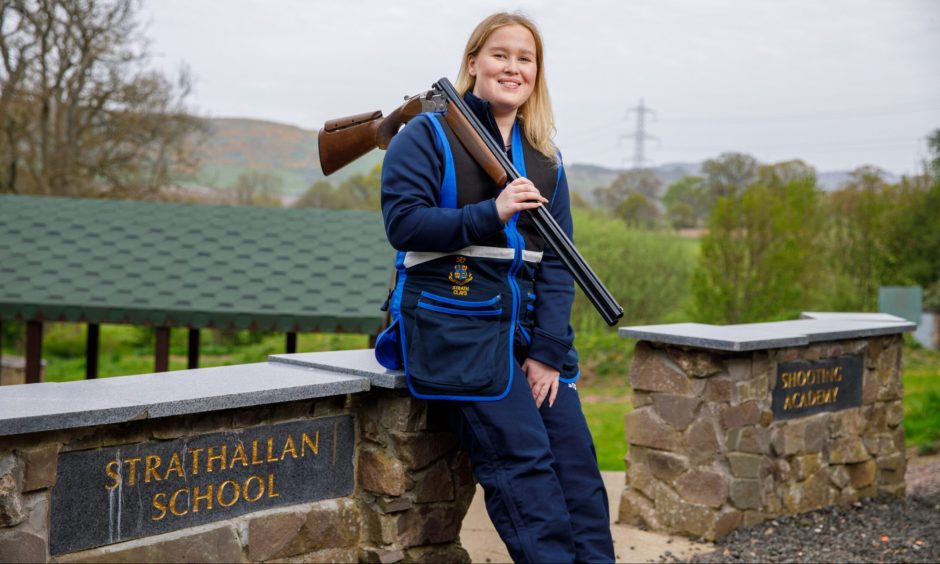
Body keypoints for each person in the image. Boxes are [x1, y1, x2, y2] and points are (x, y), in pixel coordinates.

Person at [374, 11, 615, 563]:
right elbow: (404, 224)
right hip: (456, 333)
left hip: (528, 338)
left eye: (525, 58)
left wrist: (550, 352)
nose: (513, 67)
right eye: (501, 55)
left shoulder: (546, 158)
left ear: (537, 73)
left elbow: (557, 262)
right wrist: (492, 210)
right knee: (525, 466)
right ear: (473, 62)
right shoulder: (426, 135)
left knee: (578, 469)